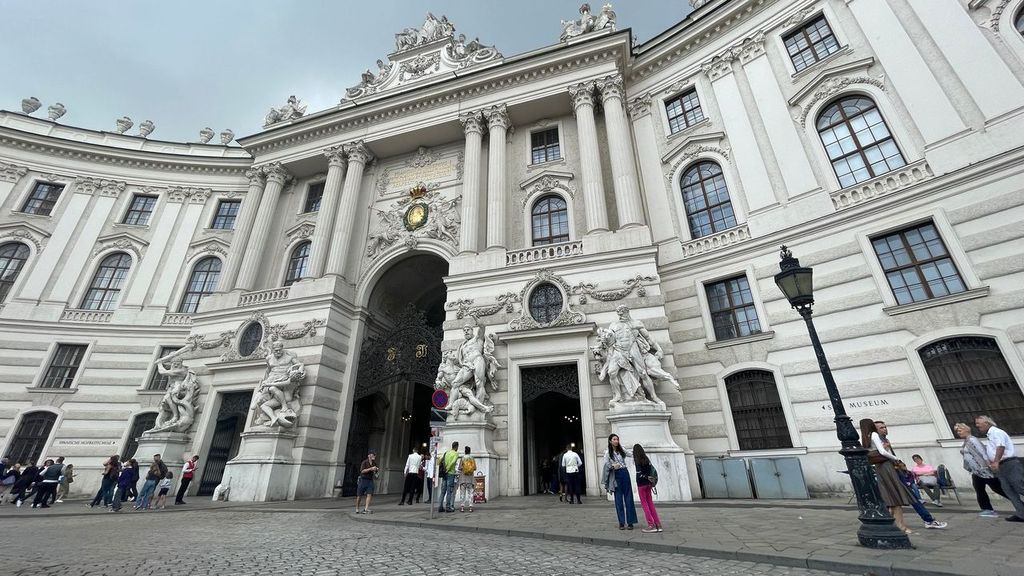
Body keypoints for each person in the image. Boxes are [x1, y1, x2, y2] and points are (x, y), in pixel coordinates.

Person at [975, 415, 1024, 523]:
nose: (977, 426)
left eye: (978, 423)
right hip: (1000, 466)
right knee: (1009, 490)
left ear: (987, 423)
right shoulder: (990, 435)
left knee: (1020, 487)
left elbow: (1000, 446)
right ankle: (1022, 514)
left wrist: (996, 461)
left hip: (1008, 464)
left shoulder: (996, 432)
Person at [954, 422, 1007, 517]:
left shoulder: (972, 440)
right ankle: (987, 509)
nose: (958, 432)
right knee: (980, 489)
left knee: (997, 488)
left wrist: (988, 465)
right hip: (976, 471)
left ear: (966, 430)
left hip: (983, 469)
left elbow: (982, 452)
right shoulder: (967, 441)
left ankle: (1017, 501)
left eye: (960, 430)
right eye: (957, 431)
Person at [602, 433, 637, 530]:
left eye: (617, 439)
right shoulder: (607, 453)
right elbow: (605, 465)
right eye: (614, 439)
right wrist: (612, 466)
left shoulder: (622, 449)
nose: (616, 441)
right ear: (610, 441)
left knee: (629, 497)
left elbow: (632, 454)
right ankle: (621, 522)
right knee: (618, 499)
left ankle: (630, 522)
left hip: (624, 473)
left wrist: (638, 454)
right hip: (616, 475)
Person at [633, 444, 662, 533]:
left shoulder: (637, 460)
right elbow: (651, 471)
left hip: (641, 485)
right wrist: (649, 478)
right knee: (650, 504)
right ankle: (658, 524)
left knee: (645, 504)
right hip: (649, 484)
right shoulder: (647, 459)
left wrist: (644, 477)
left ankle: (651, 525)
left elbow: (639, 474)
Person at [437, 441, 460, 513]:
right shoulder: (455, 453)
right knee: (449, 491)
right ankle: (448, 507)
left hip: (444, 473)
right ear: (456, 447)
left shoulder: (447, 453)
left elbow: (441, 461)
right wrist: (448, 468)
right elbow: (453, 462)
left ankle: (440, 506)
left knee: (443, 491)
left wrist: (445, 469)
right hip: (450, 473)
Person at [354, 449, 378, 514]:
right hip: (363, 480)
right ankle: (357, 508)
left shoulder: (374, 463)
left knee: (369, 494)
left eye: (375, 455)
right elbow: (362, 471)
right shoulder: (364, 462)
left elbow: (376, 474)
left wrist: (376, 471)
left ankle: (366, 508)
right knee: (359, 495)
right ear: (369, 455)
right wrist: (371, 469)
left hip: (370, 480)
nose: (375, 456)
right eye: (373, 455)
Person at [457, 445, 476, 512]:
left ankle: (462, 507)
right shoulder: (472, 458)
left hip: (463, 479)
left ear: (465, 451)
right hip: (470, 479)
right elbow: (474, 468)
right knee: (470, 493)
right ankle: (470, 507)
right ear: (470, 451)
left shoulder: (462, 458)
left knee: (462, 494)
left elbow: (459, 468)